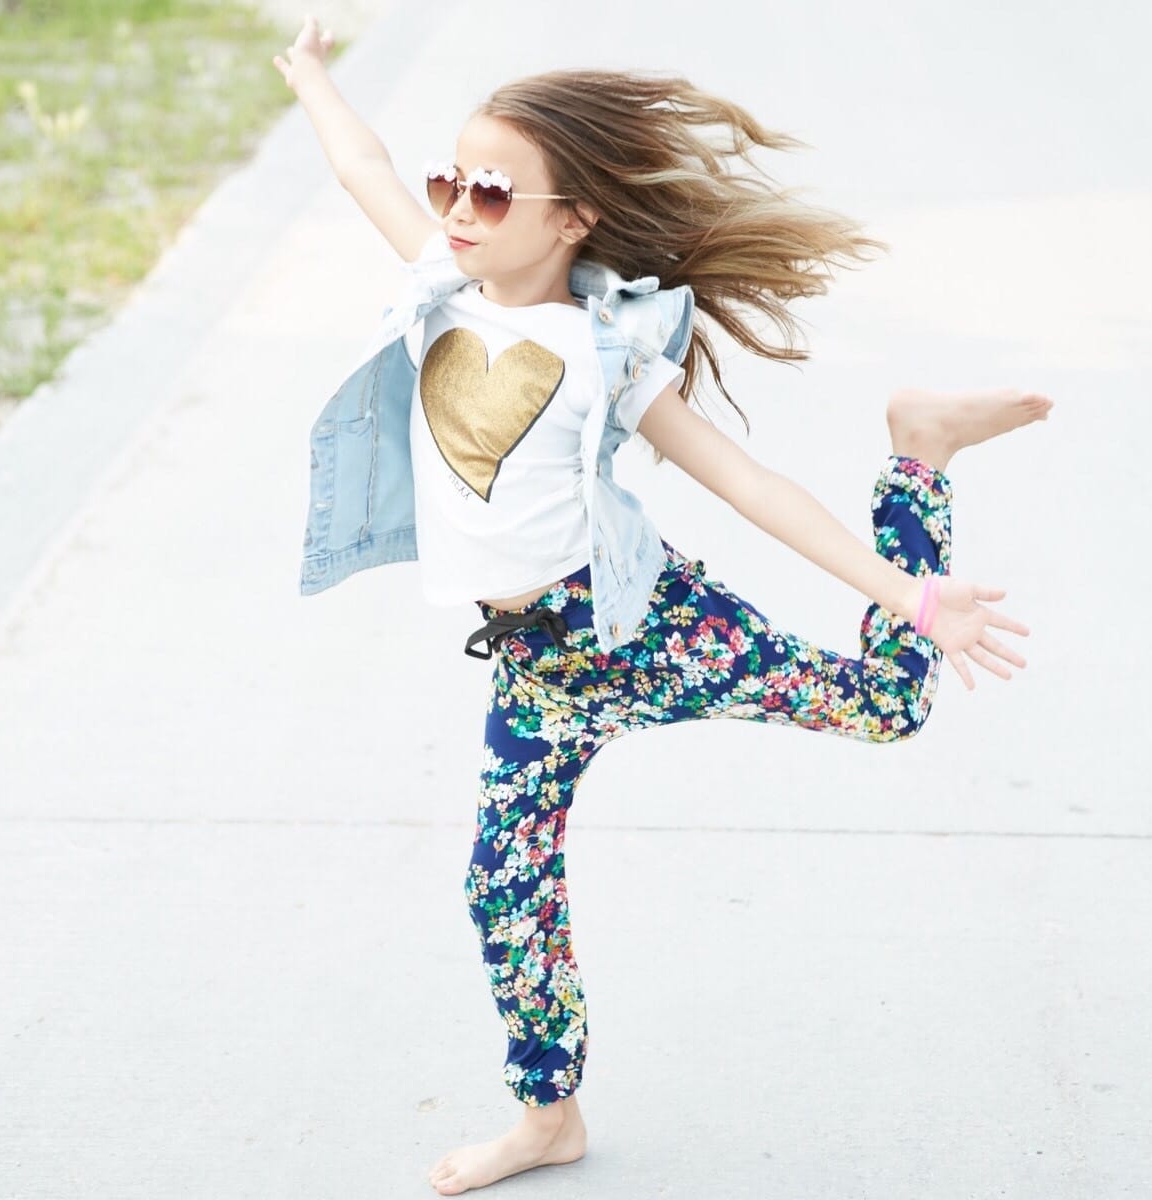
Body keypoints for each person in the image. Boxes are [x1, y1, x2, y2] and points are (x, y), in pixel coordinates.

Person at [274, 17, 1053, 1196]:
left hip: (644, 630)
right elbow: (361, 168)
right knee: (503, 879)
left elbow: (750, 486)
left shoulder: (606, 353)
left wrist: (913, 592)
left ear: (572, 218)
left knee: (892, 708)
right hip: (535, 667)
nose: (457, 208)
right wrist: (312, 78)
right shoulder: (437, 281)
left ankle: (920, 455)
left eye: (491, 192)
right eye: (454, 180)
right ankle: (549, 1116)